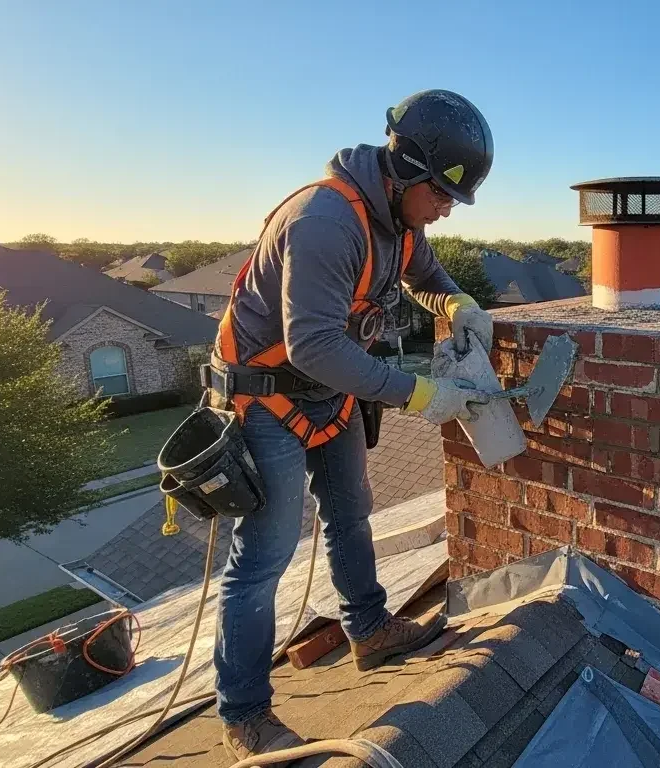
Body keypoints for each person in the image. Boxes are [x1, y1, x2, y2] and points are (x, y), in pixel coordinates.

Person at [202, 89, 496, 760]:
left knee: (351, 510)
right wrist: (419, 395)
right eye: (443, 195)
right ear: (407, 172)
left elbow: (426, 277)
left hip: (327, 391)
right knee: (266, 554)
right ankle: (245, 716)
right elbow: (312, 346)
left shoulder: (398, 219)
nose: (447, 209)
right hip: (266, 395)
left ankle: (368, 628)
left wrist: (461, 304)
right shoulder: (325, 221)